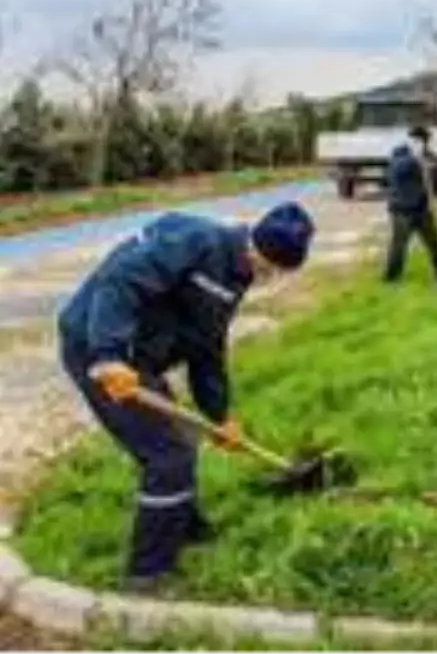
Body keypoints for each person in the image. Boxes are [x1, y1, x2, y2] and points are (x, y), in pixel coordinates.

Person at [56, 201, 315, 594]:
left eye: (276, 273)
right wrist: (109, 355)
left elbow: (206, 348)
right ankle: (147, 574)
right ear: (254, 245)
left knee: (181, 438)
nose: (268, 277)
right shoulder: (196, 241)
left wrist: (219, 416)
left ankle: (187, 528)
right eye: (267, 268)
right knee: (168, 455)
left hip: (139, 359)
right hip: (94, 347)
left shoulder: (237, 275)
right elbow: (121, 280)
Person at [383, 138, 437, 284]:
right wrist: (418, 160)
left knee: (434, 242)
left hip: (421, 208)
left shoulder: (422, 159)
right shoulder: (400, 160)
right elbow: (403, 168)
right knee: (399, 245)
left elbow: (433, 175)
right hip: (402, 210)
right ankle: (391, 277)